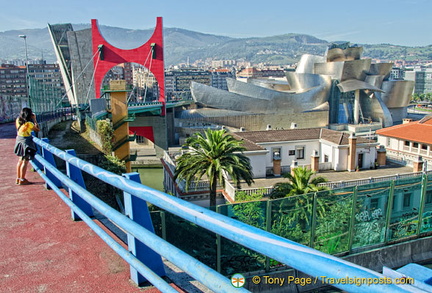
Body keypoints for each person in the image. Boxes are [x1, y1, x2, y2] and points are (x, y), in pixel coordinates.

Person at [14, 107, 40, 185]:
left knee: (20, 160)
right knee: (25, 161)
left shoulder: (18, 120)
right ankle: (22, 179)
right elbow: (37, 129)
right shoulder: (29, 124)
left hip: (19, 140)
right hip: (26, 142)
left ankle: (18, 178)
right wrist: (35, 119)